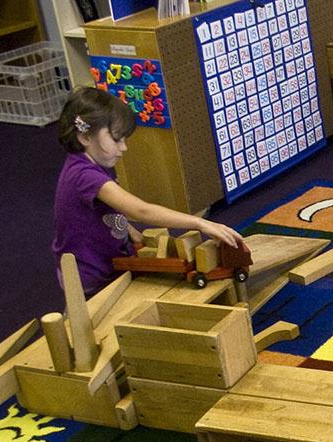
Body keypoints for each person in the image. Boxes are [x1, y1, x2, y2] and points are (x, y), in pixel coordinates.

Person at [53, 87, 244, 296]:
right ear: (85, 137)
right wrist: (200, 223)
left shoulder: (90, 162)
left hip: (107, 261)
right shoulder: (84, 175)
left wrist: (131, 232)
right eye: (116, 139)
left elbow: (103, 212)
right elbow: (141, 211)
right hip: (92, 275)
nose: (124, 148)